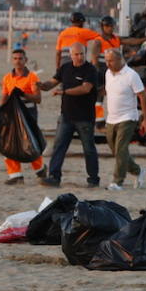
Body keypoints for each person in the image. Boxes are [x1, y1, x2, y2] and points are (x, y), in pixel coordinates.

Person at [39, 42, 100, 188]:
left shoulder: (90, 70)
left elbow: (85, 89)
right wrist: (41, 85)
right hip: (66, 116)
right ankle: (54, 177)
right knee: (59, 146)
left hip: (85, 117)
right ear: (71, 55)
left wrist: (64, 92)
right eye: (77, 54)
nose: (79, 57)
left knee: (89, 149)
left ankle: (93, 179)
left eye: (82, 54)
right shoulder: (65, 68)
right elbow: (52, 82)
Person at [102, 47, 146, 191]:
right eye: (106, 61)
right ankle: (138, 171)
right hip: (111, 118)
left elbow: (142, 97)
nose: (108, 64)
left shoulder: (131, 75)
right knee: (115, 150)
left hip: (128, 117)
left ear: (119, 60)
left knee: (121, 149)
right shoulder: (108, 74)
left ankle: (117, 181)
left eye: (110, 61)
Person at [0, 48, 44, 185]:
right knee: (9, 144)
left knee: (29, 144)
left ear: (26, 60)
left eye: (20, 58)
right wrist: (2, 112)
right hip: (12, 116)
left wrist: (23, 94)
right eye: (15, 59)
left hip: (28, 115)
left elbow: (38, 98)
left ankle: (41, 170)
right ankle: (15, 175)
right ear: (12, 61)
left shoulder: (33, 77)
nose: (18, 61)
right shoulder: (7, 78)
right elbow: (4, 98)